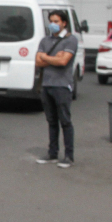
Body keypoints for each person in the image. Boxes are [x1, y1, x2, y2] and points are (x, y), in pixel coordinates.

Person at [35, 10, 79, 168]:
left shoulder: (71, 40)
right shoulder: (45, 40)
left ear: (64, 23)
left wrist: (45, 57)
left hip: (62, 86)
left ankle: (69, 156)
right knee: (51, 121)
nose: (53, 24)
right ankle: (52, 153)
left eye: (56, 21)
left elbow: (63, 62)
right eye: (51, 21)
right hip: (46, 85)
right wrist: (53, 58)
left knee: (65, 121)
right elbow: (38, 62)